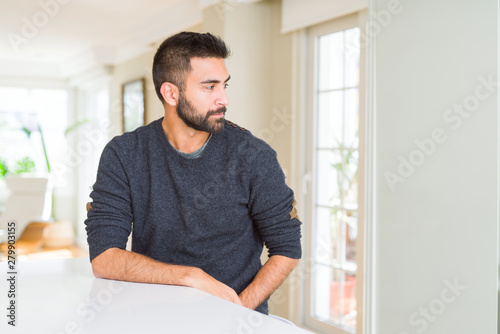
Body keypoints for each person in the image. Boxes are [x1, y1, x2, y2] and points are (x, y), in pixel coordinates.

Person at [84, 31, 302, 315]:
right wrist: (189, 277)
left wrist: (239, 313)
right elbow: (104, 258)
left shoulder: (253, 156)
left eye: (224, 85)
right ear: (171, 93)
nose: (223, 99)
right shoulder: (124, 154)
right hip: (151, 318)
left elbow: (287, 248)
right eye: (209, 87)